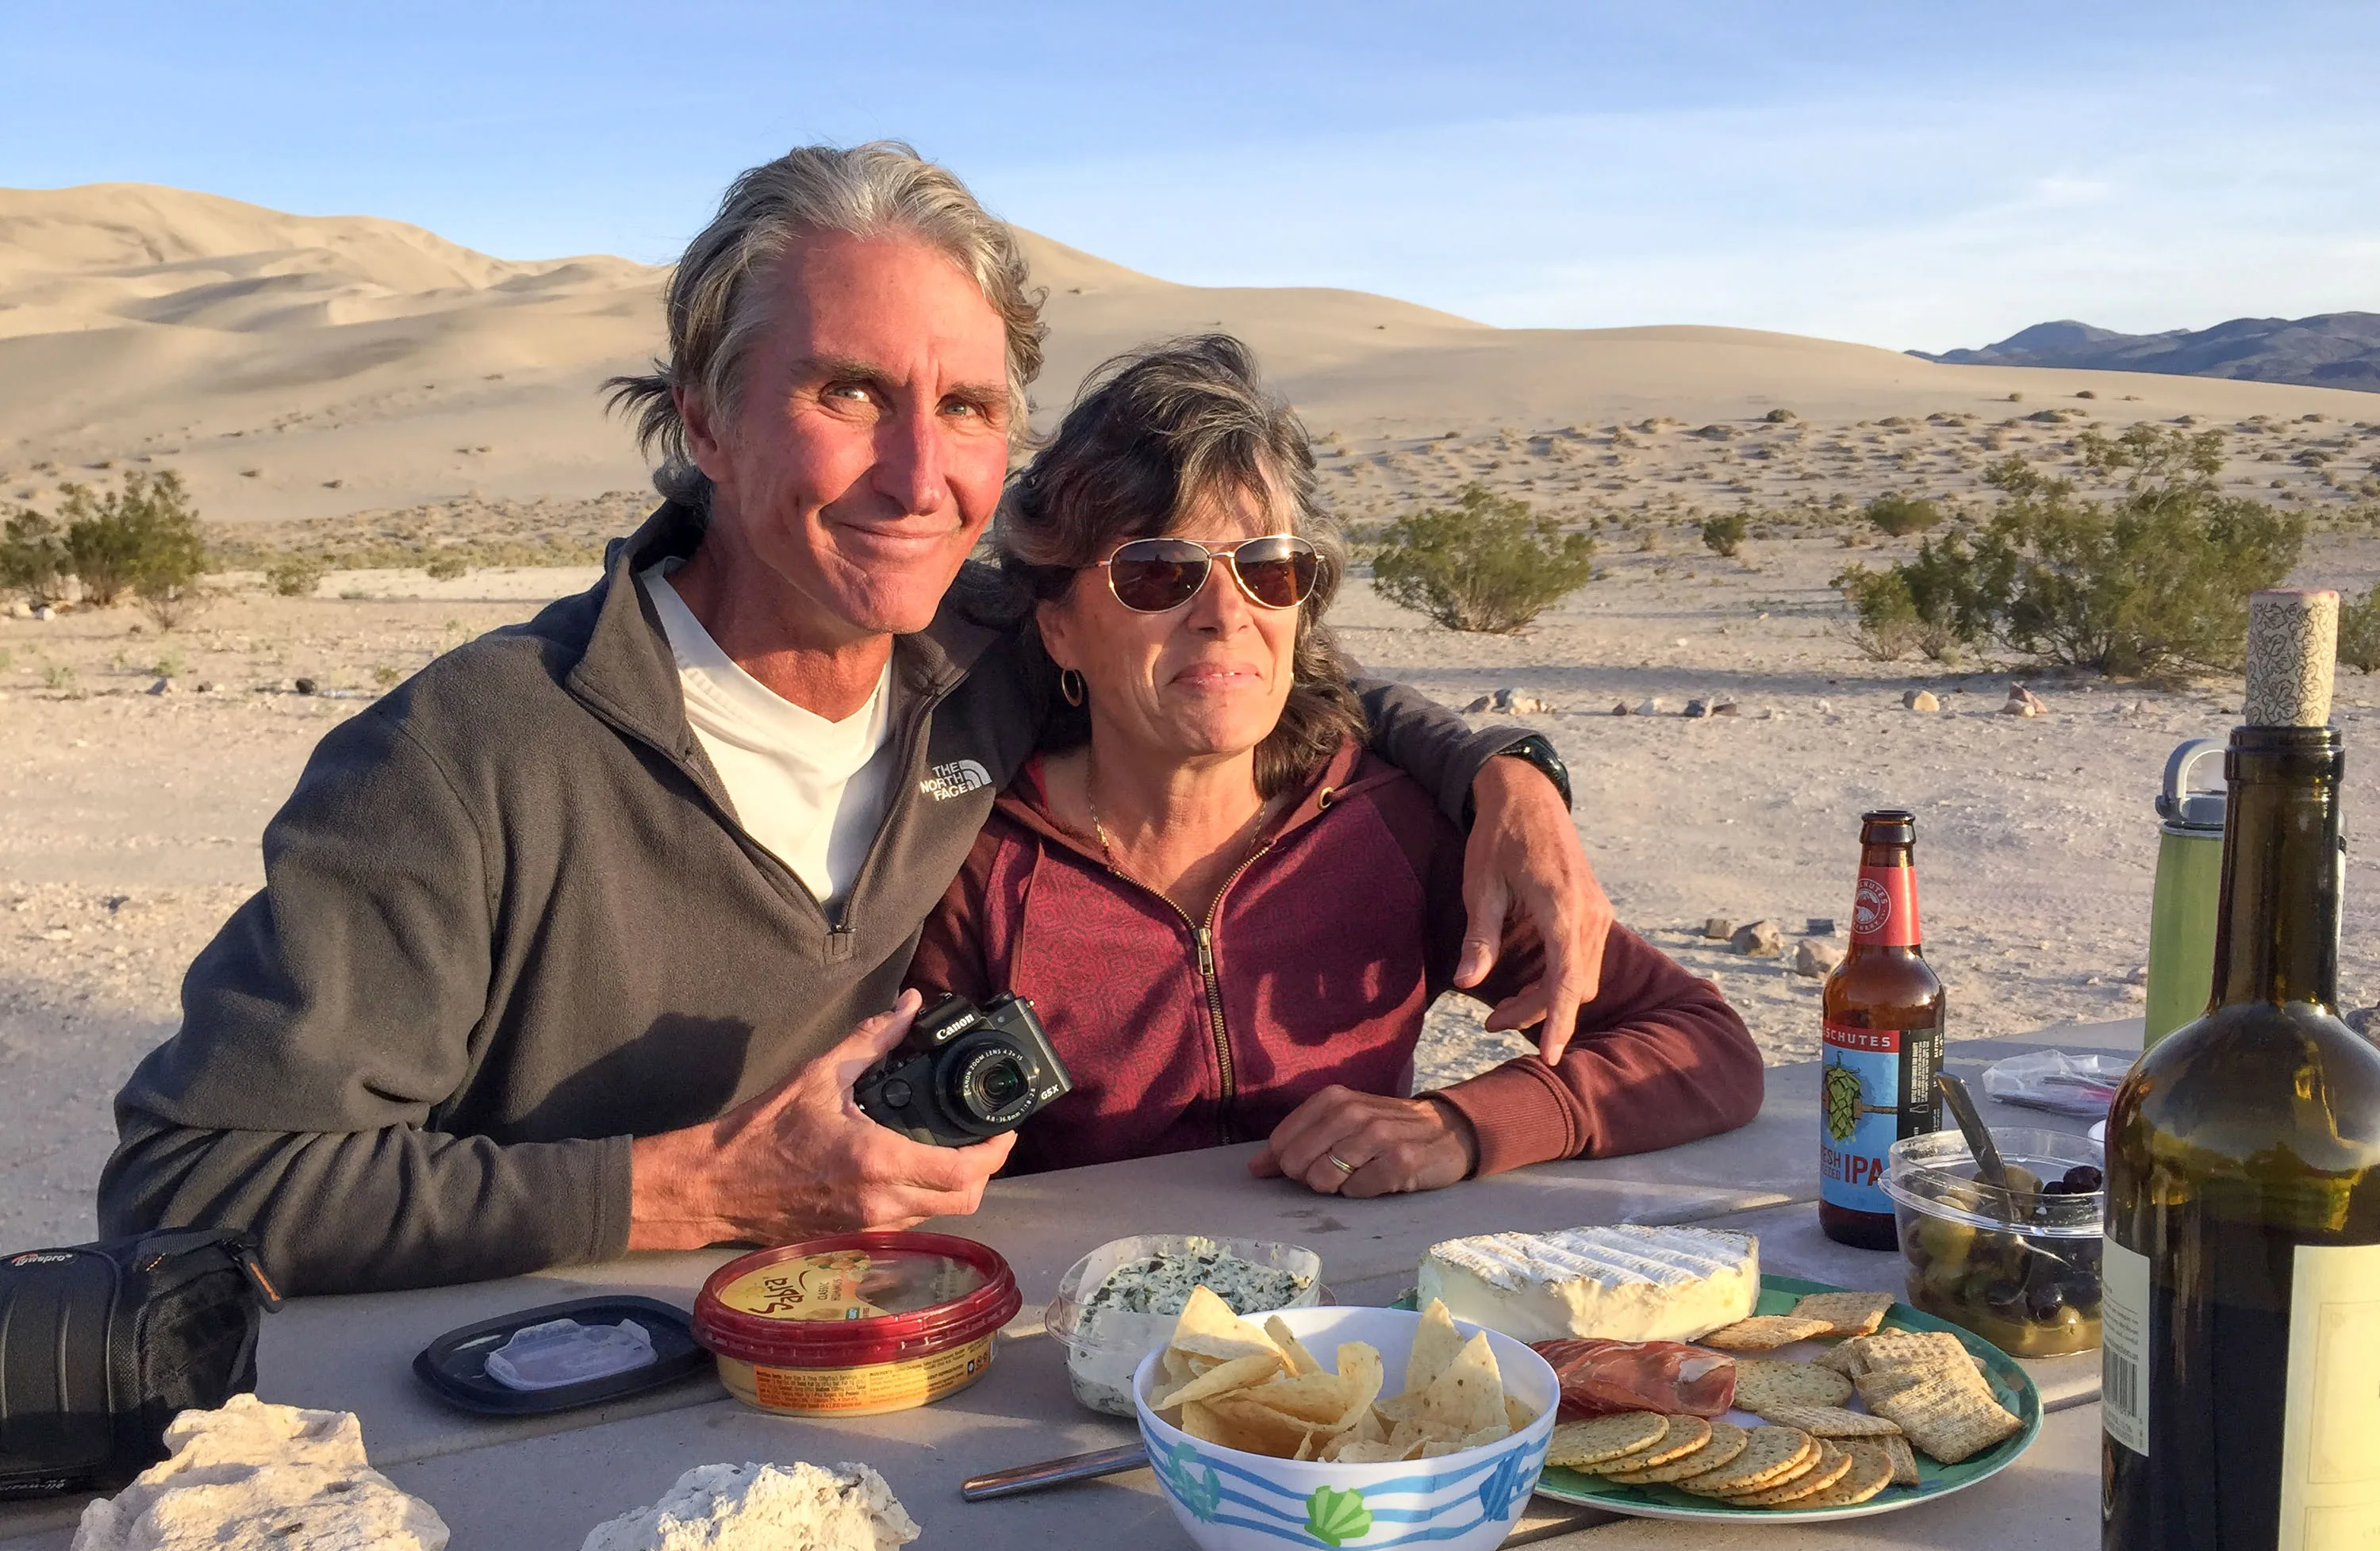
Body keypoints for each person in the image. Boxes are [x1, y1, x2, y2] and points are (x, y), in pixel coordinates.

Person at [96, 144, 1609, 1292]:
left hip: (880, 1392)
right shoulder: (476, 756)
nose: (917, 476)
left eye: (964, 409)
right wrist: (689, 1192)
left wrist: (1504, 772)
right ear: (701, 415)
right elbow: (189, 1185)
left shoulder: (986, 652)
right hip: (510, 1432)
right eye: (847, 394)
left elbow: (1244, 658)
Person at [910, 336, 1764, 1192]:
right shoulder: (970, 860)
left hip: (1354, 1313)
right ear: (1059, 625)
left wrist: (1464, 1124)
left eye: (1267, 570)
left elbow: (1704, 1042)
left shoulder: (1390, 829)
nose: (1225, 614)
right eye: (1159, 571)